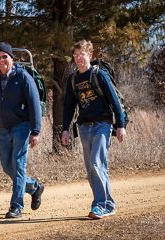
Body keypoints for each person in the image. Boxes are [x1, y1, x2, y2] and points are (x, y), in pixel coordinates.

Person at [61, 40, 126, 219]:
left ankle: (99, 205)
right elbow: (68, 106)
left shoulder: (100, 75)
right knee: (92, 168)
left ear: (89, 55)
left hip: (102, 125)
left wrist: (120, 125)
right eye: (75, 55)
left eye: (81, 54)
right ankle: (109, 204)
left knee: (97, 163)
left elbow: (115, 101)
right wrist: (65, 129)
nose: (78, 58)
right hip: (84, 127)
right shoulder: (73, 79)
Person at [0, 42, 45, 218]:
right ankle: (34, 187)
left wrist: (36, 131)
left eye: (5, 57)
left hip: (22, 127)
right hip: (3, 129)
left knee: (18, 164)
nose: (1, 60)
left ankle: (16, 206)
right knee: (7, 166)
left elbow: (34, 105)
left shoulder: (23, 77)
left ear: (11, 58)